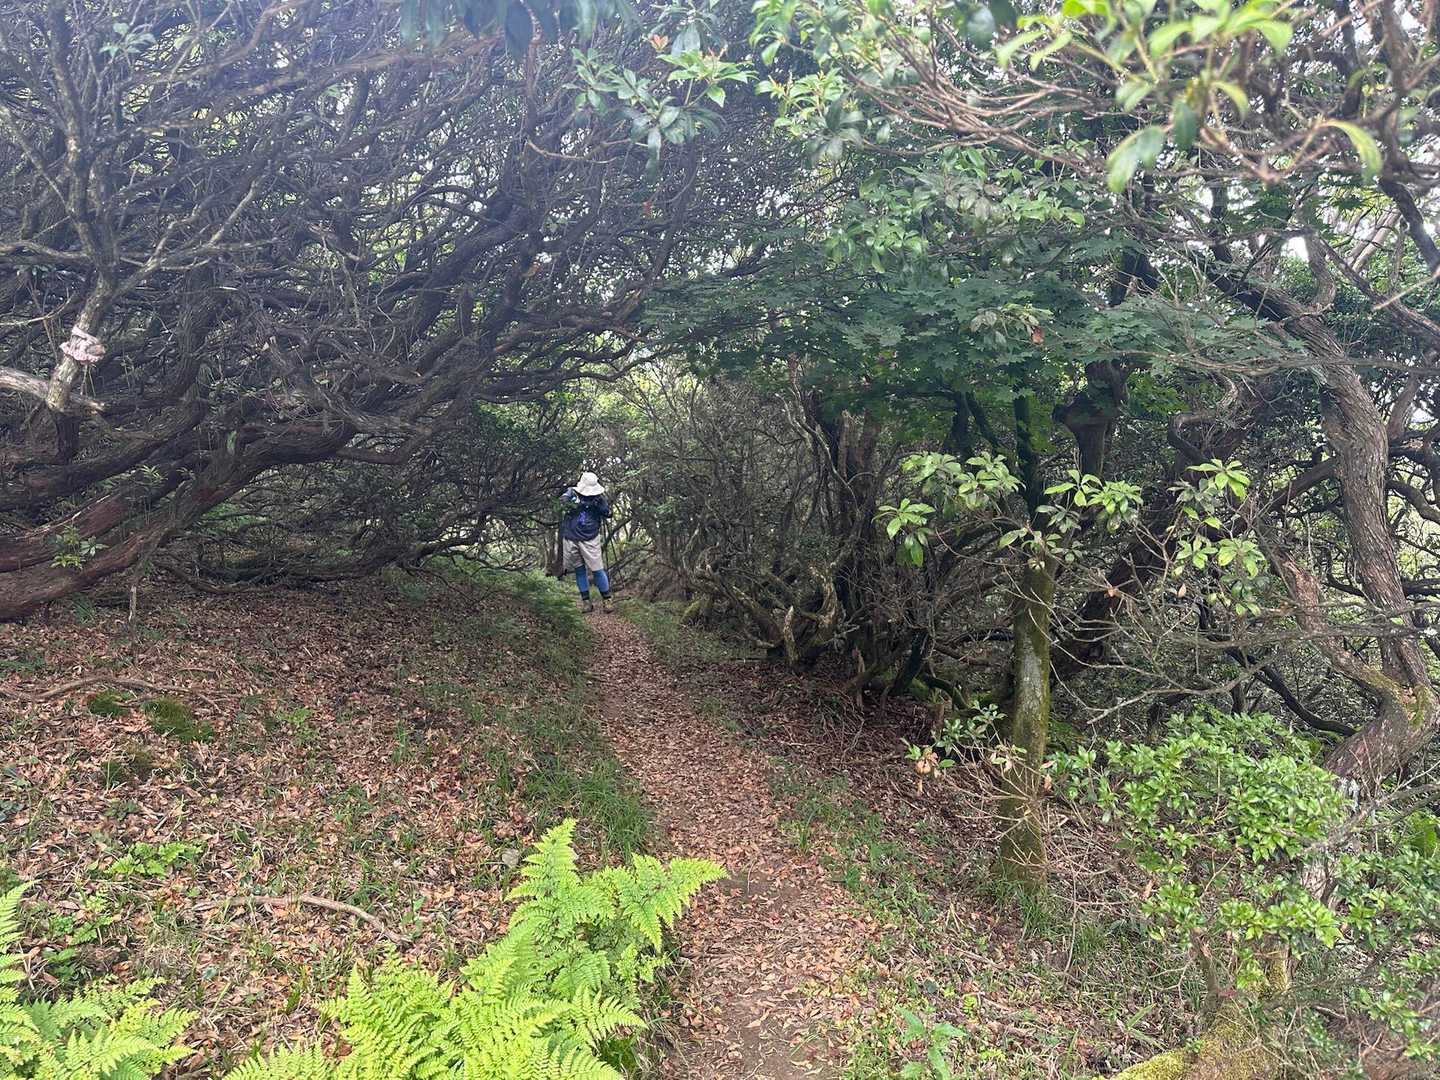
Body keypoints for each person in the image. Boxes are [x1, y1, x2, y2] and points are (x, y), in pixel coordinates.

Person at [560, 471, 612, 613]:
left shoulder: (599, 497)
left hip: (590, 537)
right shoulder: (572, 493)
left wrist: (599, 507)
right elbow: (562, 502)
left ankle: (607, 600)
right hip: (571, 537)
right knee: (579, 569)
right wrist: (575, 504)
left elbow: (608, 512)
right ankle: (586, 602)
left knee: (597, 569)